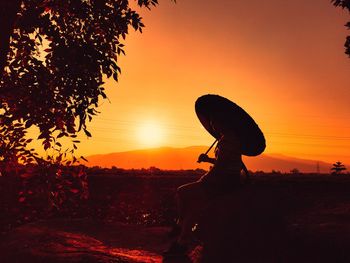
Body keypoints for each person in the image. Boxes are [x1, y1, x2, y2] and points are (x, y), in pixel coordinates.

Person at [163, 134, 244, 257]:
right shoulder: (229, 140)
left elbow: (221, 165)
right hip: (220, 183)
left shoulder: (227, 141)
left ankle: (180, 225)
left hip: (217, 184)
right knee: (193, 207)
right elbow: (223, 162)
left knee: (181, 192)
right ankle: (182, 241)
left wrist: (205, 179)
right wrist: (208, 160)